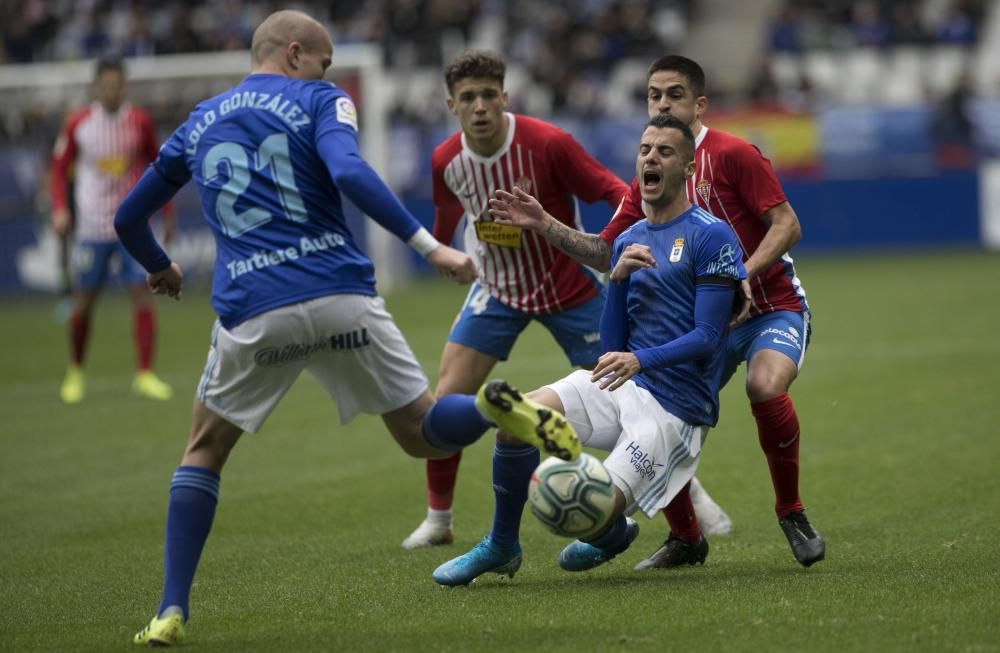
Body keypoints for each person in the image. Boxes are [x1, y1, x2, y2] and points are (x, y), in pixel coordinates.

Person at [113, 11, 580, 647]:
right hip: (340, 294)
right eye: (327, 62)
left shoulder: (199, 121)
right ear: (297, 53)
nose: (330, 73)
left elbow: (128, 217)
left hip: (255, 306)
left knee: (204, 449)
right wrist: (428, 247)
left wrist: (160, 266)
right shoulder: (319, 98)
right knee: (424, 434)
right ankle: (500, 410)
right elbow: (351, 174)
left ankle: (170, 610)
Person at [490, 54, 825, 569]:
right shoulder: (649, 176)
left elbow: (787, 225)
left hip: (767, 305)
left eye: (674, 94)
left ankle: (791, 511)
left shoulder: (733, 153)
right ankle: (687, 538)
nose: (664, 102)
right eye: (654, 95)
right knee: (667, 404)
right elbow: (608, 252)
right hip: (702, 320)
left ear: (699, 103)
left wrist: (741, 277)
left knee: (763, 386)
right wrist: (545, 225)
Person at [431, 113, 745, 586]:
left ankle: (611, 534)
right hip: (621, 383)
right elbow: (613, 344)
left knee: (590, 514)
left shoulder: (712, 235)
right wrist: (616, 283)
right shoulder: (631, 238)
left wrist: (641, 359)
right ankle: (501, 545)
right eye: (645, 150)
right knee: (516, 424)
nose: (651, 158)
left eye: (665, 151)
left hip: (676, 411)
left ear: (688, 166)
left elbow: (709, 338)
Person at [401, 50, 631, 550]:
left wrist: (612, 246)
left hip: (571, 286)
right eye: (468, 98)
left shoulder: (549, 143)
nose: (480, 106)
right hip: (498, 290)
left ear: (505, 97)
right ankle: (438, 519)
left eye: (489, 95)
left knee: (625, 399)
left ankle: (684, 499)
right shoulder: (446, 161)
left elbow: (614, 190)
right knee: (445, 404)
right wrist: (444, 256)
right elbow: (444, 227)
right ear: (451, 105)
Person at [51, 55, 175, 404]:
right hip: (91, 228)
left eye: (116, 85)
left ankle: (145, 374)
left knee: (143, 296)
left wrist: (168, 212)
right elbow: (59, 168)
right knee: (83, 304)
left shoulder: (139, 121)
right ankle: (75, 371)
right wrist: (60, 208)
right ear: (96, 87)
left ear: (124, 85)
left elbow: (162, 166)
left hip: (132, 228)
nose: (111, 91)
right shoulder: (78, 124)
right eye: (105, 86)